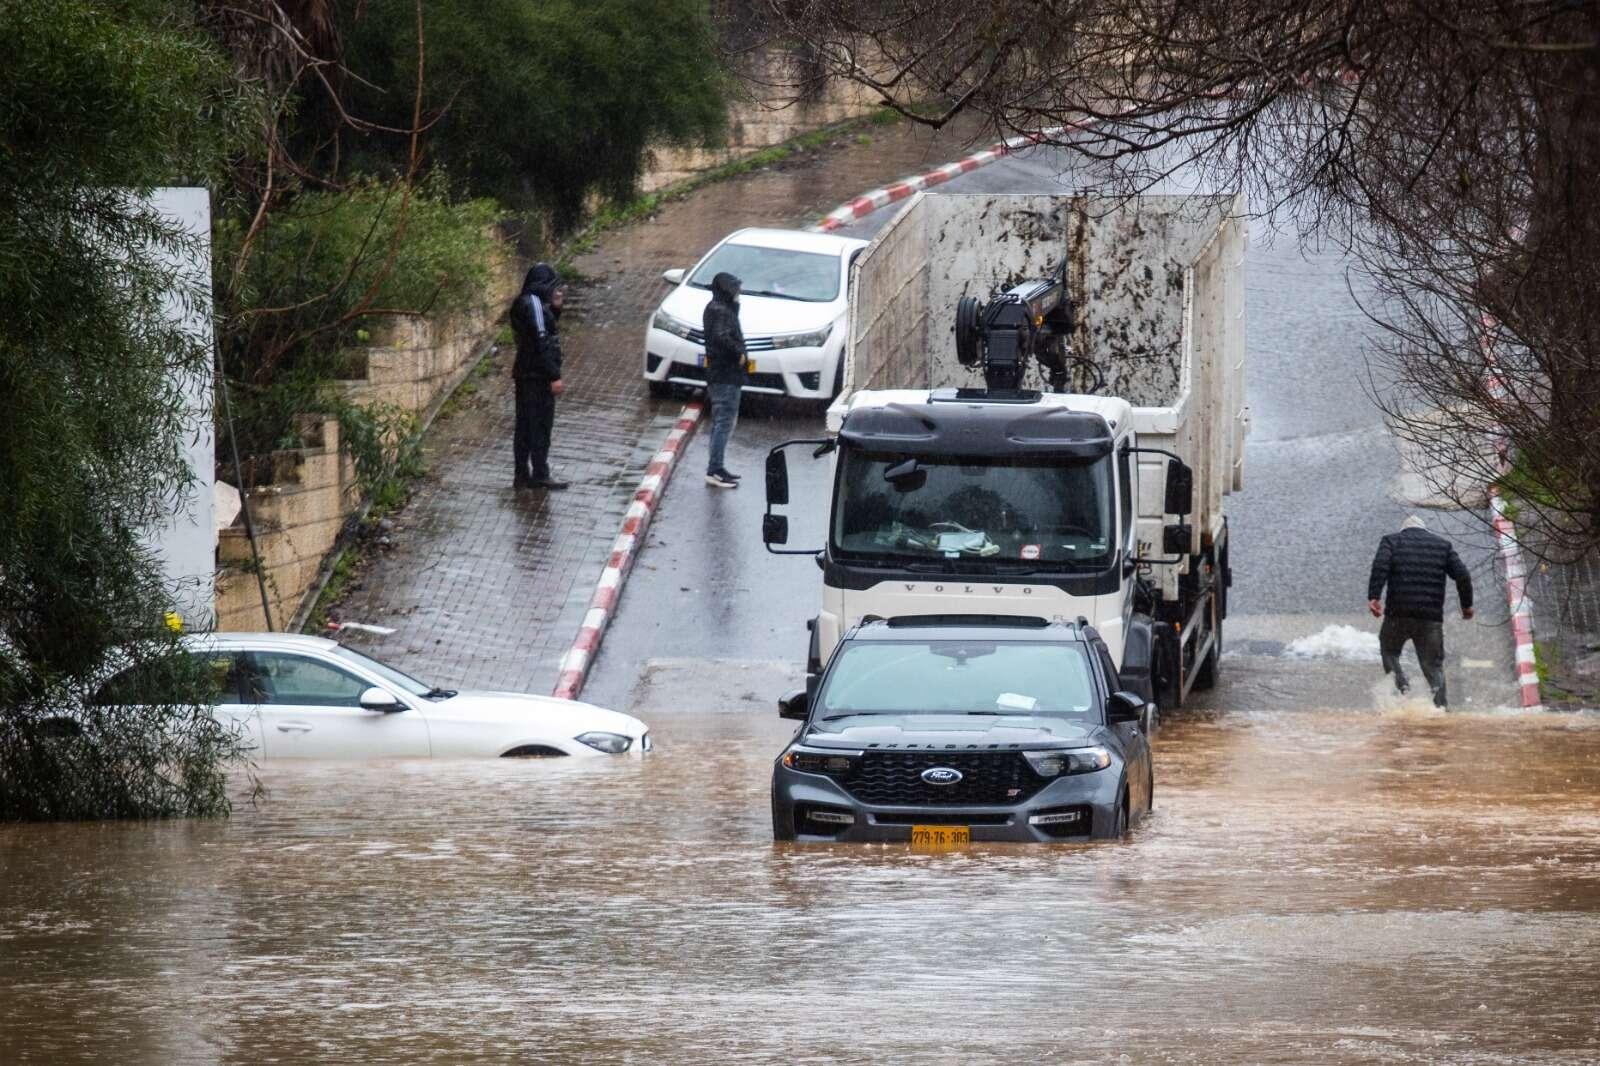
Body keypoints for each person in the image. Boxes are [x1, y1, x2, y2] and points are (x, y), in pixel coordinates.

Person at [1367, 514, 1474, 707]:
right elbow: (1463, 576)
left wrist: (1374, 597)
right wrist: (1466, 605)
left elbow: (1380, 567)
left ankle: (1403, 689)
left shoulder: (1391, 541)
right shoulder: (1442, 546)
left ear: (1403, 529)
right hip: (1429, 617)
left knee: (1389, 652)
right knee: (1433, 667)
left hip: (1398, 614)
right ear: (1425, 529)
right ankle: (1440, 708)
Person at [509, 263, 568, 490]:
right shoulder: (533, 303)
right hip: (537, 376)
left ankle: (522, 475)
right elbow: (542, 339)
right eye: (553, 286)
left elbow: (542, 328)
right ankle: (540, 473)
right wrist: (554, 375)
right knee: (540, 425)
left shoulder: (525, 302)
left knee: (524, 425)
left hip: (525, 374)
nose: (555, 290)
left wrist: (555, 308)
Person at [701, 271, 747, 489]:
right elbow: (721, 336)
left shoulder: (720, 308)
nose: (739, 293)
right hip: (725, 375)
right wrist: (739, 352)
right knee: (724, 422)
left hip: (723, 374)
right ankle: (715, 470)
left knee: (722, 422)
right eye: (736, 289)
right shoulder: (720, 311)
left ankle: (717, 466)